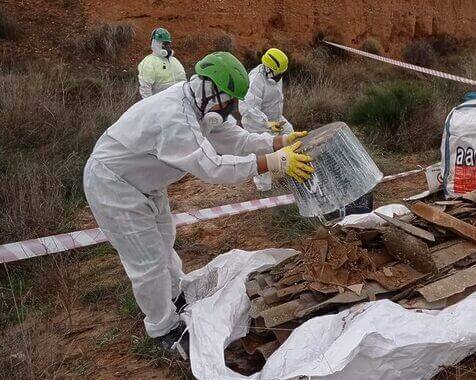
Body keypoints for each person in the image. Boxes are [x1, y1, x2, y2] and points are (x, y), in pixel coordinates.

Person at [84, 52, 313, 352]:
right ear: (211, 88)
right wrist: (270, 163)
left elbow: (237, 139)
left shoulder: (200, 105)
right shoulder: (175, 117)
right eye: (229, 101)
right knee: (149, 260)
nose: (231, 109)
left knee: (165, 240)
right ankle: (162, 329)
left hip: (145, 182)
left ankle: (176, 296)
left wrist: (276, 143)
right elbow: (213, 167)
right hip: (113, 184)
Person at [241, 48, 294, 135]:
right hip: (257, 127)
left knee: (290, 133)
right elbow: (249, 109)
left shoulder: (275, 75)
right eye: (278, 73)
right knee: (274, 145)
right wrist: (266, 124)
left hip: (276, 119)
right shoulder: (255, 81)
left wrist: (275, 121)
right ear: (268, 69)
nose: (280, 76)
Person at [138, 27, 187, 99]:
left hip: (177, 104)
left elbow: (183, 83)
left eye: (168, 44)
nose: (166, 47)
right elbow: (145, 89)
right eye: (163, 44)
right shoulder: (149, 62)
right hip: (159, 105)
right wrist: (151, 106)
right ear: (155, 43)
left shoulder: (174, 61)